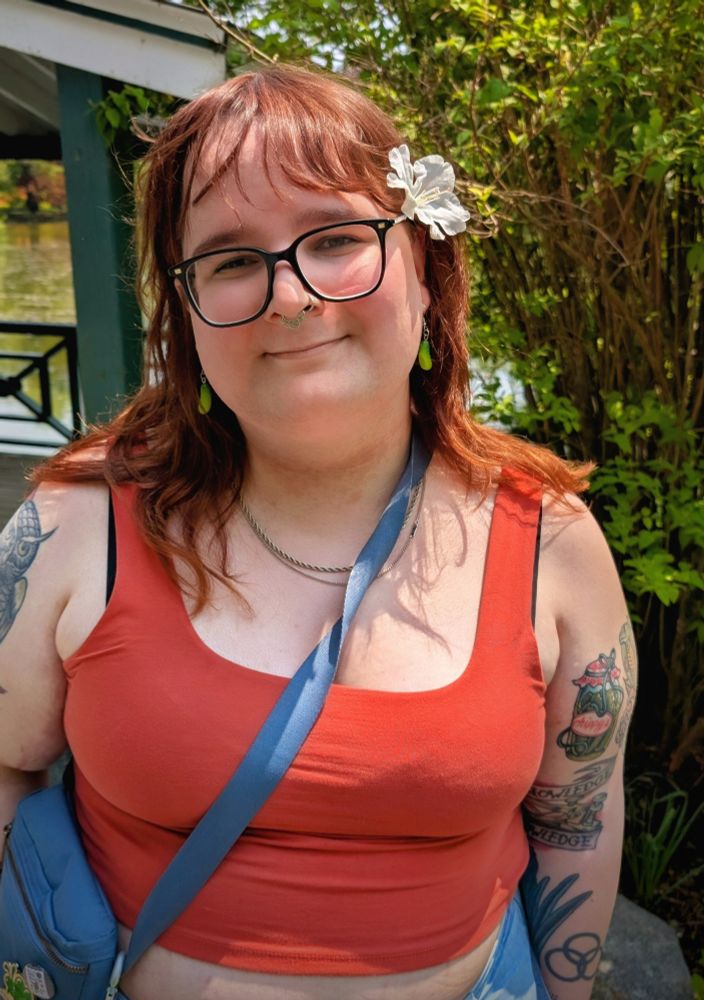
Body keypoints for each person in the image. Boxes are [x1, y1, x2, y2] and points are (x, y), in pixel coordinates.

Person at [0, 64, 636, 1000]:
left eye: (336, 238)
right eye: (230, 258)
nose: (290, 294)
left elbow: (578, 817)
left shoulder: (550, 540)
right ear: (185, 316)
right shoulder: (74, 524)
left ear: (426, 270)